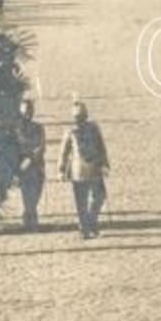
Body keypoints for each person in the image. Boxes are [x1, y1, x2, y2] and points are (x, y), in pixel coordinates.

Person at [59, 101, 109, 239]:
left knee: (99, 196)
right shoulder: (70, 131)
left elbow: (101, 147)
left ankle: (91, 222)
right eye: (77, 115)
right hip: (78, 171)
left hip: (95, 168)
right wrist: (61, 170)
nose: (80, 118)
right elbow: (64, 152)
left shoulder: (94, 128)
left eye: (82, 114)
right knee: (81, 202)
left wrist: (105, 165)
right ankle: (84, 229)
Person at [14, 99, 47, 232]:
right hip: (23, 168)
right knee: (28, 195)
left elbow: (41, 145)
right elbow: (15, 147)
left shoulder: (39, 127)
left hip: (37, 166)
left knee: (37, 193)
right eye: (25, 110)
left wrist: (32, 158)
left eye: (29, 110)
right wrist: (22, 163)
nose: (28, 113)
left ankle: (28, 216)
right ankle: (32, 222)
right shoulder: (16, 129)